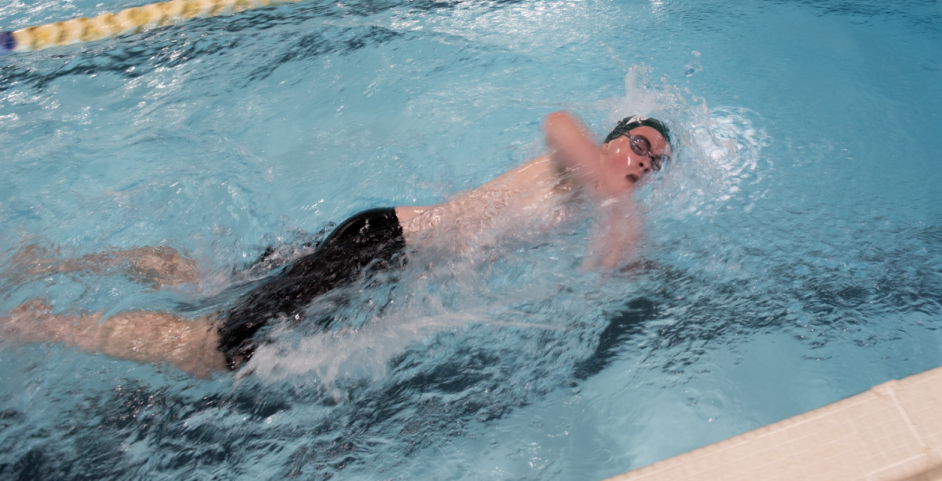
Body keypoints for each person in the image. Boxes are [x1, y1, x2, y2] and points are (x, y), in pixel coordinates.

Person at [0, 112, 673, 377]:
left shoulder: (592, 199)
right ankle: (39, 324)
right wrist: (617, 205)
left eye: (655, 162)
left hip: (375, 248)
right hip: (378, 245)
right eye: (639, 144)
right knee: (217, 351)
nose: (643, 162)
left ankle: (52, 262)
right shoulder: (580, 158)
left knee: (204, 280)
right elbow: (559, 123)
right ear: (616, 137)